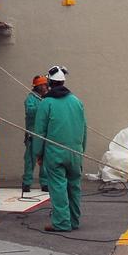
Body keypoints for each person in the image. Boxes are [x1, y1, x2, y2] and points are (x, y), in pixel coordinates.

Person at [34, 65, 86, 231]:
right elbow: (84, 129)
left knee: (58, 187)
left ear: (49, 82)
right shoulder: (77, 101)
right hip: (76, 152)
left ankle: (62, 223)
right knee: (74, 187)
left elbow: (40, 132)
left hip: (55, 153)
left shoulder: (46, 103)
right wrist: (81, 150)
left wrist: (38, 154)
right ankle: (74, 221)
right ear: (63, 81)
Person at [22, 74, 47, 196]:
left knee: (45, 161)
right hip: (32, 134)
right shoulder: (30, 99)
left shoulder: (46, 99)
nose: (44, 87)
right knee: (30, 160)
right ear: (36, 87)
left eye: (45, 84)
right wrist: (42, 107)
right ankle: (27, 183)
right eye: (42, 85)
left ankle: (45, 183)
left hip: (43, 135)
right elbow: (30, 111)